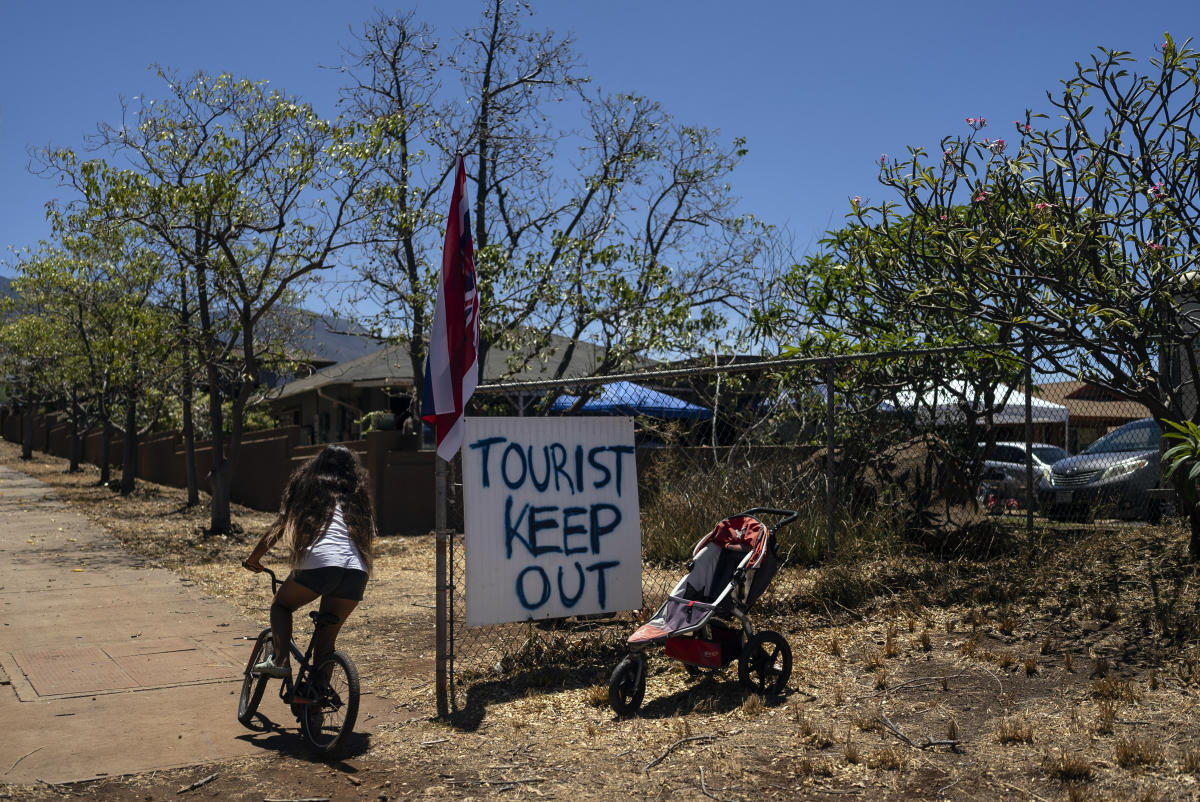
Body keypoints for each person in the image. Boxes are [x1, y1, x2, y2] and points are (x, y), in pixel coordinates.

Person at [242, 444, 375, 678]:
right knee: (325, 644)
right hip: (356, 571)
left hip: (319, 564)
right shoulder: (358, 498)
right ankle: (316, 704)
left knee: (281, 606)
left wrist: (254, 559)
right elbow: (368, 537)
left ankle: (281, 660)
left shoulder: (306, 488)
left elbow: (279, 528)